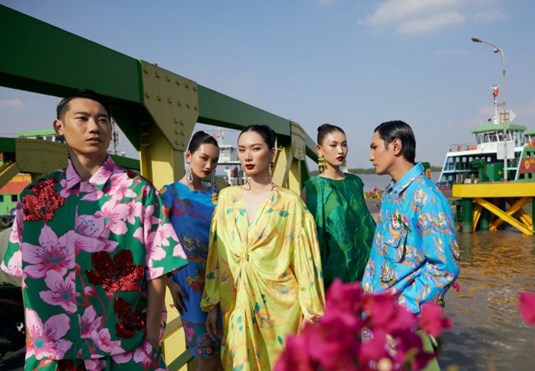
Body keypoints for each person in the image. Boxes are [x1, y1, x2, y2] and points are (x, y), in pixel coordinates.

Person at [0, 89, 189, 370]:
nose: (94, 127)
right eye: (83, 118)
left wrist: (151, 340)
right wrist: (34, 347)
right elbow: (26, 277)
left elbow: (158, 270)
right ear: (59, 127)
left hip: (127, 349)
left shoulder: (138, 190)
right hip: (53, 354)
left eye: (102, 120)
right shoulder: (35, 196)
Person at [201, 124, 325, 370]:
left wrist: (312, 314)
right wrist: (212, 302)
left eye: (256, 149)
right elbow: (216, 253)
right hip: (235, 301)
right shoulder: (227, 198)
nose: (247, 156)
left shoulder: (290, 203)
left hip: (279, 308)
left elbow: (305, 261)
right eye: (242, 150)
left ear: (273, 153)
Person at [362, 120, 460, 368]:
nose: (371, 156)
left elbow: (445, 266)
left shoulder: (426, 197)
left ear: (395, 146)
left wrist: (404, 310)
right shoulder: (391, 194)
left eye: (375, 147)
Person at [160, 131, 222, 370]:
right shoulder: (170, 194)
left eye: (214, 161)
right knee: (207, 357)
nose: (208, 165)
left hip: (223, 284)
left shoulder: (217, 197)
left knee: (227, 356)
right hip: (190, 289)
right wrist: (168, 283)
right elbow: (156, 244)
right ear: (188, 156)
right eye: (203, 158)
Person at [302, 123, 375, 289]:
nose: (340, 151)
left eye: (344, 144)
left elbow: (365, 227)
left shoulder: (356, 183)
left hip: (365, 272)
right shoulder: (312, 188)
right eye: (333, 145)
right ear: (319, 149)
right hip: (331, 277)